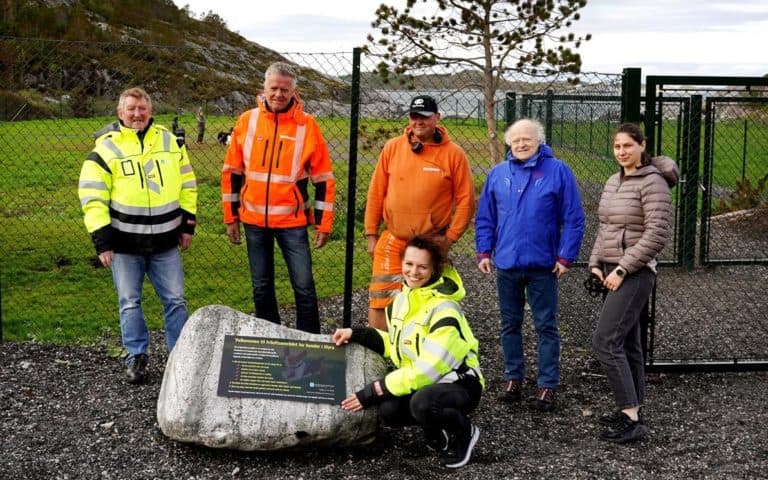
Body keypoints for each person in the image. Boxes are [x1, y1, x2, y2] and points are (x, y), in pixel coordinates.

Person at [78, 87, 198, 385]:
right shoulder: (105, 147)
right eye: (130, 108)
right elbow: (92, 197)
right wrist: (102, 241)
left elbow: (188, 184)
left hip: (166, 242)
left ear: (150, 110)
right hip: (124, 244)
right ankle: (136, 355)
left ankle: (179, 357)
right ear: (120, 112)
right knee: (130, 302)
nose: (137, 114)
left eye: (142, 108)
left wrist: (188, 225)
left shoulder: (170, 142)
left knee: (176, 300)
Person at [333, 235, 484, 469]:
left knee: (422, 404)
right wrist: (355, 333)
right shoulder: (400, 302)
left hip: (460, 383)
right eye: (409, 264)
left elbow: (426, 370)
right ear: (401, 263)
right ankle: (436, 431)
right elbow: (395, 346)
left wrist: (372, 391)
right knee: (389, 411)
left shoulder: (445, 310)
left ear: (434, 269)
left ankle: (465, 432)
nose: (414, 272)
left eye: (422, 266)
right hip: (427, 383)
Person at [475, 118, 585, 412]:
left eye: (528, 139)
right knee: (509, 324)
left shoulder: (558, 171)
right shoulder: (498, 174)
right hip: (508, 263)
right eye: (516, 140)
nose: (522, 144)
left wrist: (565, 257)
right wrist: (484, 252)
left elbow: (573, 219)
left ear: (540, 141)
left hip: (543, 266)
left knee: (545, 325)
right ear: (509, 143)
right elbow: (486, 216)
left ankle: (547, 384)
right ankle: (514, 378)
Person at [221, 62, 335, 334]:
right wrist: (230, 217)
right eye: (274, 88)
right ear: (264, 87)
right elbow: (232, 173)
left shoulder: (307, 125)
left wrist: (324, 223)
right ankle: (270, 339)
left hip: (292, 223)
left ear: (294, 91)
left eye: (285, 89)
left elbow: (324, 179)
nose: (278, 94)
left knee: (304, 287)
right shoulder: (246, 121)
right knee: (261, 287)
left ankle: (309, 341)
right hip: (253, 221)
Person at [589, 123, 678, 443]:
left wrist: (623, 269)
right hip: (611, 269)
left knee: (605, 341)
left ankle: (630, 417)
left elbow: (656, 235)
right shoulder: (614, 181)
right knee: (629, 343)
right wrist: (596, 264)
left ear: (642, 146)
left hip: (636, 273)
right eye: (617, 147)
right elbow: (605, 228)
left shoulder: (653, 183)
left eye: (628, 145)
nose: (622, 151)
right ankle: (635, 408)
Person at [364, 94, 476, 331]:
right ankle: (378, 355)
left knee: (424, 301)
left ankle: (418, 353)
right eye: (414, 116)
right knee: (380, 299)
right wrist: (371, 234)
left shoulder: (454, 154)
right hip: (393, 238)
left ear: (437, 118)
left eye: (425, 117)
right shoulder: (393, 147)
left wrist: (449, 239)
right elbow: (376, 193)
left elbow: (466, 201)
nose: (419, 122)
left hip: (430, 241)